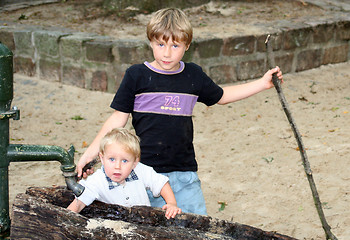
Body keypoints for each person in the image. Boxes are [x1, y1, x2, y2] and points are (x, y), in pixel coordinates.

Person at [77, 8, 283, 215]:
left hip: (184, 173)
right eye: (160, 44)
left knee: (197, 227)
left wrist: (262, 84)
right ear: (150, 42)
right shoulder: (136, 76)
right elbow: (117, 119)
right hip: (144, 174)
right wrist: (89, 154)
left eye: (175, 45)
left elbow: (222, 96)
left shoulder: (193, 75)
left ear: (187, 46)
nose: (167, 53)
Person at [68, 128, 182, 219]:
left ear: (134, 163)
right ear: (102, 159)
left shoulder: (140, 170)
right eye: (112, 159)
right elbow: (78, 204)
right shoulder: (96, 181)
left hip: (144, 224)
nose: (117, 166)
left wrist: (171, 203)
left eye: (124, 161)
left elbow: (161, 183)